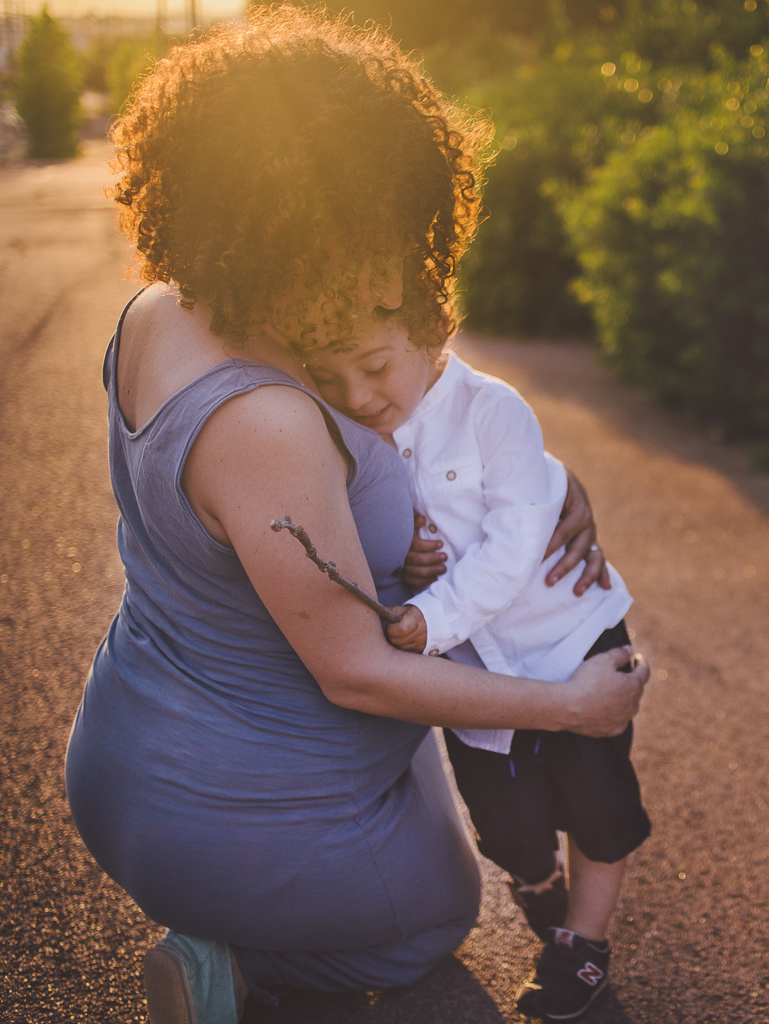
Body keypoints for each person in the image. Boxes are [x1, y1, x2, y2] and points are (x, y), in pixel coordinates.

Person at [62, 10, 649, 1023]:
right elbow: (355, 671)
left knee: (434, 773)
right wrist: (574, 707)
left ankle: (243, 912)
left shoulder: (167, 305)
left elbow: (413, 399)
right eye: (366, 212)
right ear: (300, 212)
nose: (389, 245)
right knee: (435, 915)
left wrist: (542, 479)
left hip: (135, 742)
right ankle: (233, 970)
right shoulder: (267, 419)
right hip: (228, 809)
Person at [306, 323, 652, 1021]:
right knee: (505, 822)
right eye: (330, 378)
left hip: (568, 640)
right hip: (477, 680)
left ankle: (584, 947)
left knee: (599, 807)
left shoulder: (492, 410)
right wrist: (407, 563)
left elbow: (516, 542)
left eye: (373, 366)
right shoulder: (348, 437)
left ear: (429, 334)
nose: (356, 395)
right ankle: (536, 876)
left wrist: (433, 615)